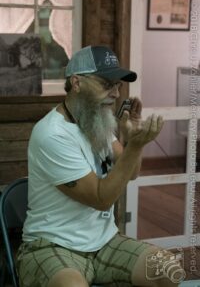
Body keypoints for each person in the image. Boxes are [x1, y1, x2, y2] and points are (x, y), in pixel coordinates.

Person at [17, 45, 185, 287]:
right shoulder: (52, 134)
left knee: (168, 270)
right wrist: (136, 147)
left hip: (104, 241)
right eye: (107, 84)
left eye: (118, 85)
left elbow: (132, 173)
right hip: (52, 244)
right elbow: (101, 197)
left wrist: (129, 139)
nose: (116, 93)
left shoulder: (95, 120)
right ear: (76, 83)